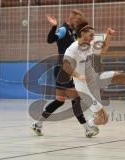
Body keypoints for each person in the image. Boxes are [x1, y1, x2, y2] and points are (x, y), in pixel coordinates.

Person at [63, 20, 125, 125]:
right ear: (83, 33)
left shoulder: (91, 45)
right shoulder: (73, 49)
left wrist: (109, 35)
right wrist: (79, 75)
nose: (93, 37)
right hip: (84, 87)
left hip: (96, 78)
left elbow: (103, 50)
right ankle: (89, 125)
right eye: (91, 35)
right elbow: (66, 65)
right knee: (103, 119)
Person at [31, 9, 99, 138]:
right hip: (63, 69)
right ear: (72, 19)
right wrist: (54, 26)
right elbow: (51, 39)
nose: (79, 22)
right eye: (78, 19)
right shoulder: (63, 30)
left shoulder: (75, 33)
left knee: (59, 101)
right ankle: (87, 129)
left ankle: (37, 124)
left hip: (64, 69)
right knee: (76, 99)